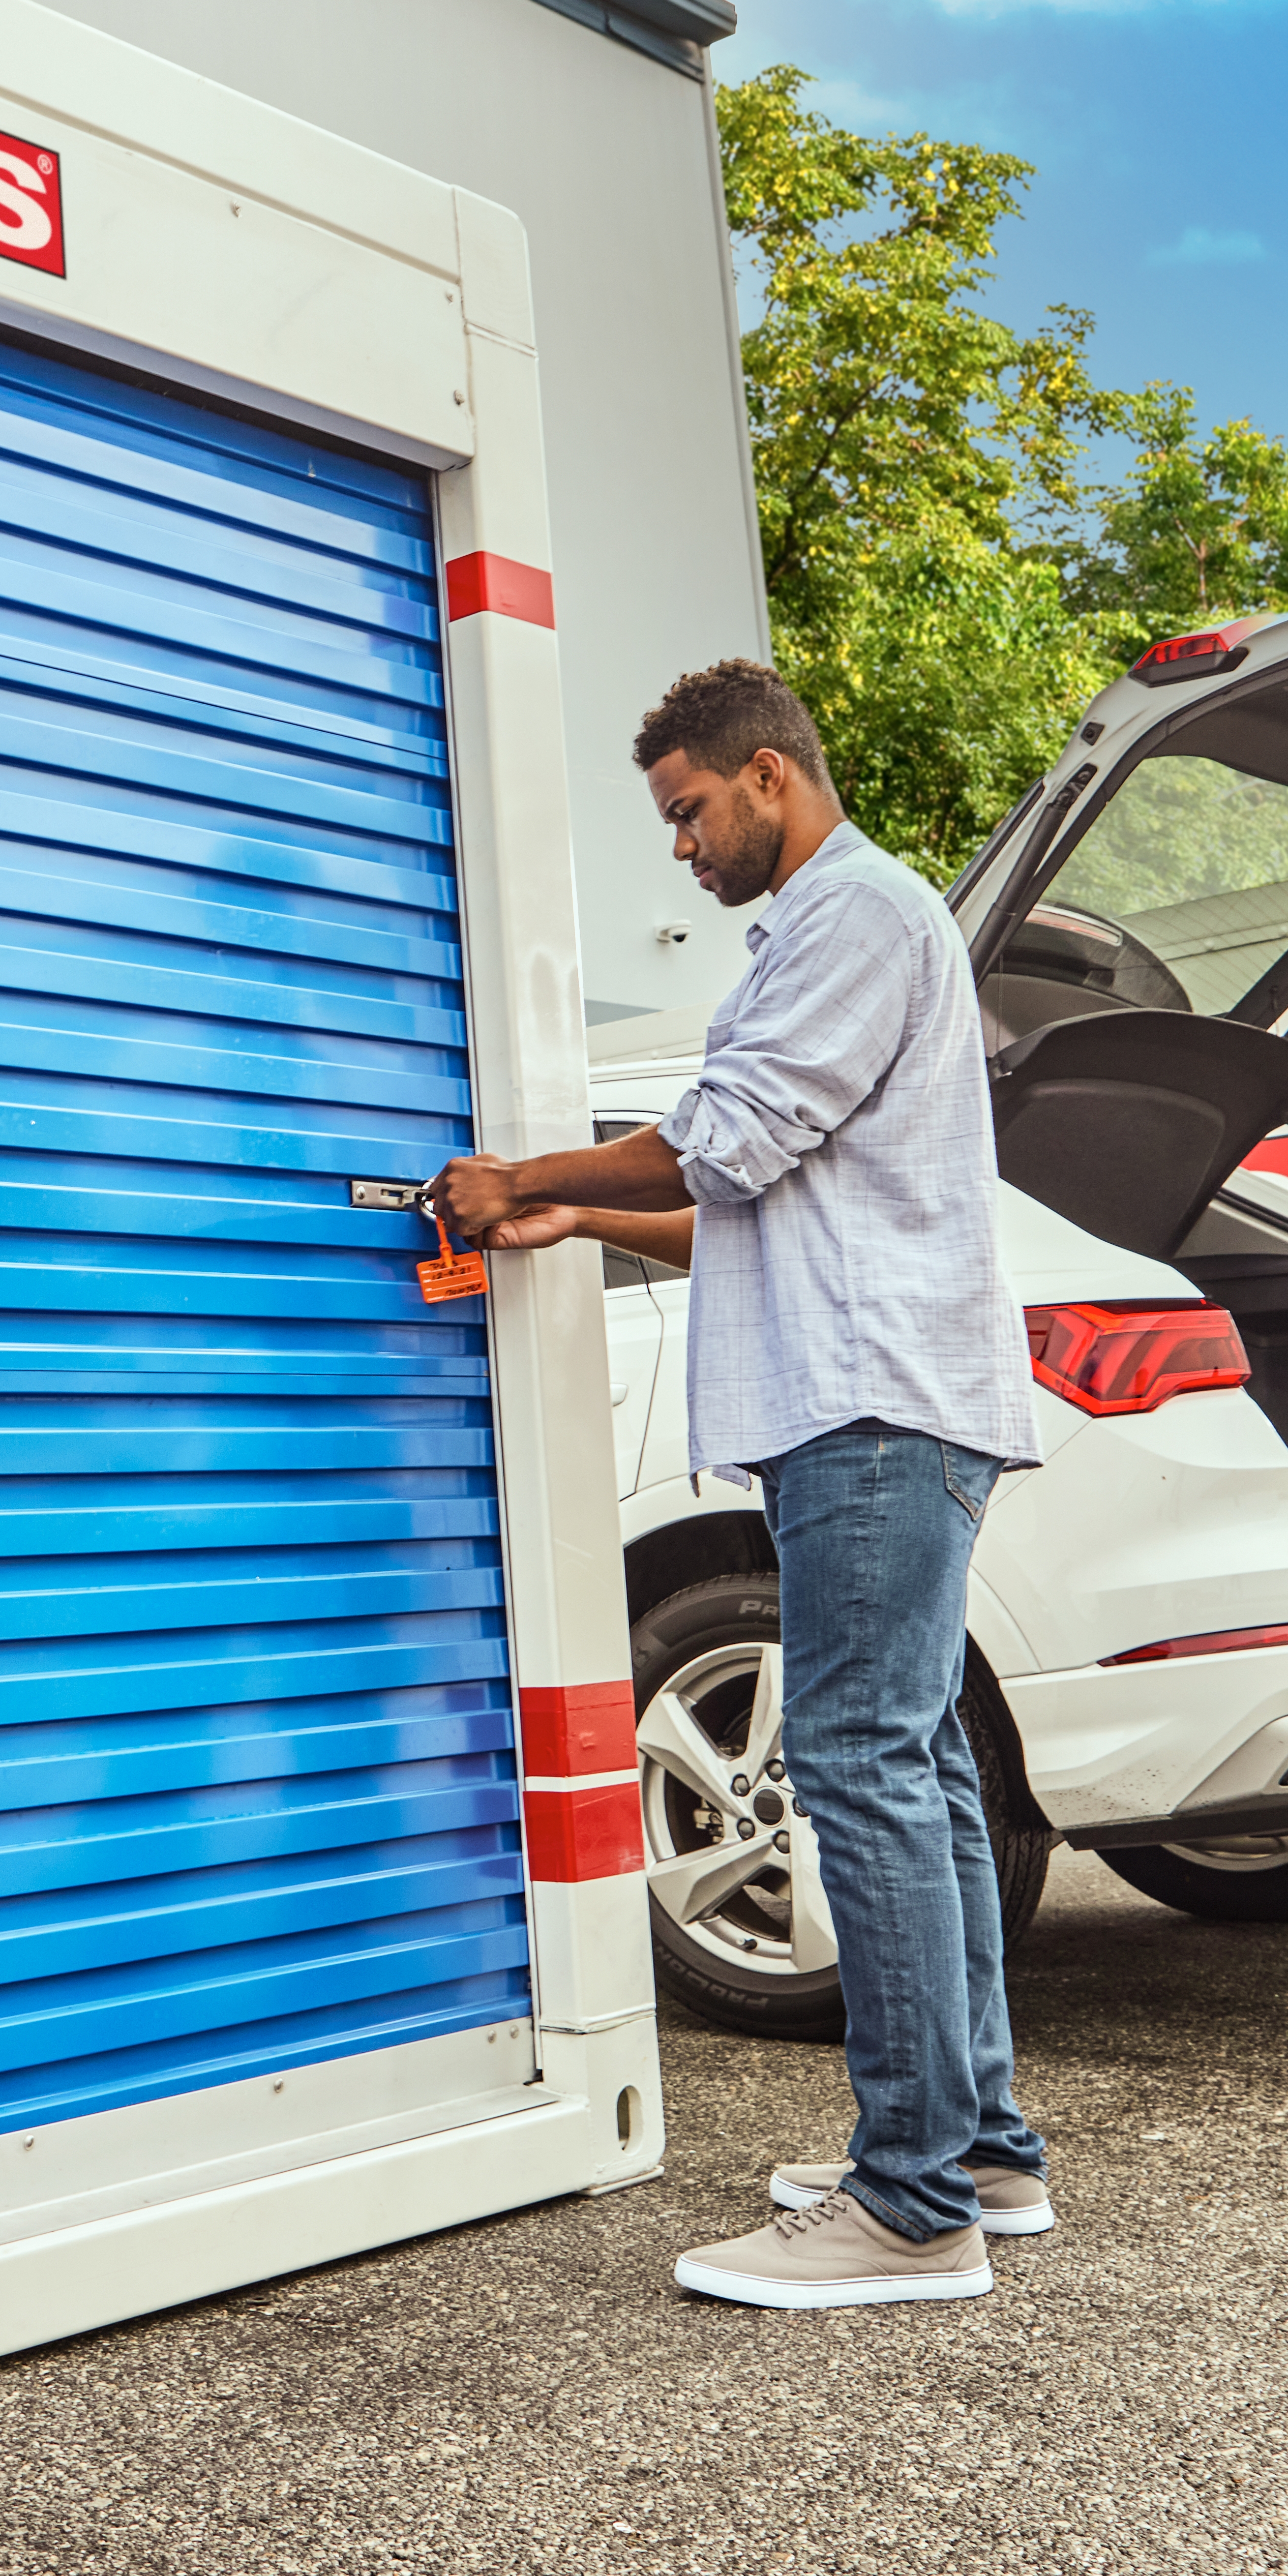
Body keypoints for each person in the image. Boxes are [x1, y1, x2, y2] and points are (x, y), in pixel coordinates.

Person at [430, 658, 1050, 2310]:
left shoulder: (852, 918)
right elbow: (746, 1201)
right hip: (881, 1406)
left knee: (853, 1767)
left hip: (870, 1413)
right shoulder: (840, 931)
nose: (681, 850)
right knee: (913, 1766)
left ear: (769, 778)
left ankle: (909, 2207)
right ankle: (978, 2152)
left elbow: (731, 1131)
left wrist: (523, 1172)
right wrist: (580, 1224)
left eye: (689, 812)